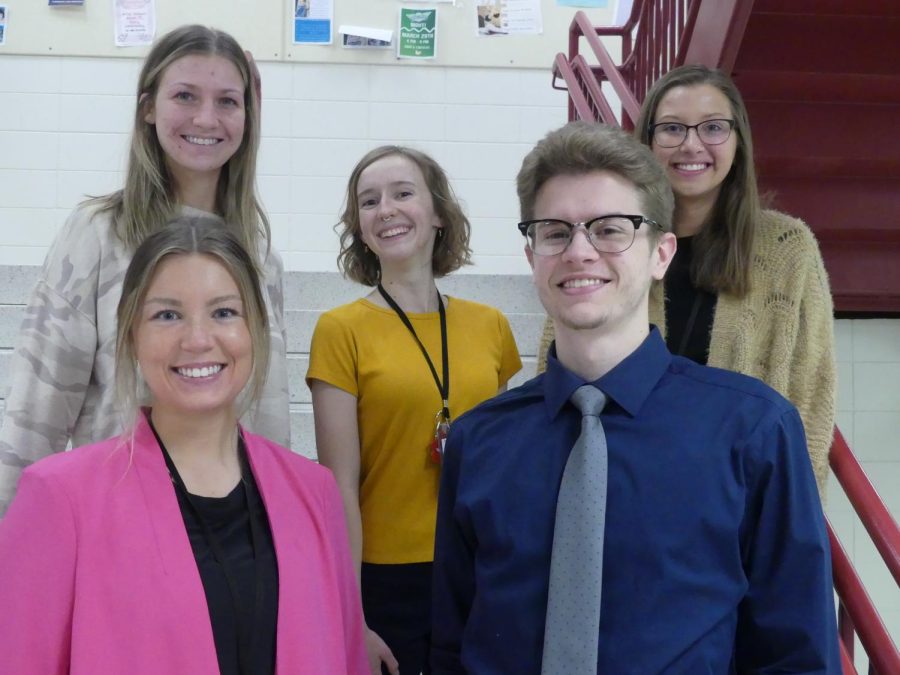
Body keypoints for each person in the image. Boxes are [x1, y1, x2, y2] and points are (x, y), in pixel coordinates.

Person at [431, 122, 840, 673]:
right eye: (555, 232)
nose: (580, 251)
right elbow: (453, 641)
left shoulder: (754, 430)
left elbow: (796, 652)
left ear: (661, 254)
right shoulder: (479, 441)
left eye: (610, 229)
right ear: (532, 256)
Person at [0, 217, 368, 674]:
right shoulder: (59, 497)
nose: (197, 339)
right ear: (132, 335)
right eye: (167, 315)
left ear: (254, 329)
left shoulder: (314, 493)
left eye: (224, 312)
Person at [0, 25, 289, 515]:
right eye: (185, 96)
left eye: (227, 101)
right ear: (148, 108)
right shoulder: (98, 233)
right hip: (121, 518)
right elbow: (37, 410)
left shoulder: (259, 255)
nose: (206, 117)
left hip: (233, 531)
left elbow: (268, 414)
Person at [536, 65, 836, 495]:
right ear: (648, 141)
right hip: (611, 486)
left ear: (738, 140)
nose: (691, 145)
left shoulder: (786, 247)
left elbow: (810, 392)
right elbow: (557, 355)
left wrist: (794, 510)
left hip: (733, 494)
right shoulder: (605, 236)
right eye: (672, 128)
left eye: (713, 127)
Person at [307, 146, 522, 675]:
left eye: (403, 193)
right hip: (385, 576)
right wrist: (351, 613)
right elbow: (340, 485)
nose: (386, 209)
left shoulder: (490, 325)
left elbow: (505, 468)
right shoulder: (340, 330)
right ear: (358, 226)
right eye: (369, 201)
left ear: (439, 213)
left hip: (478, 565)